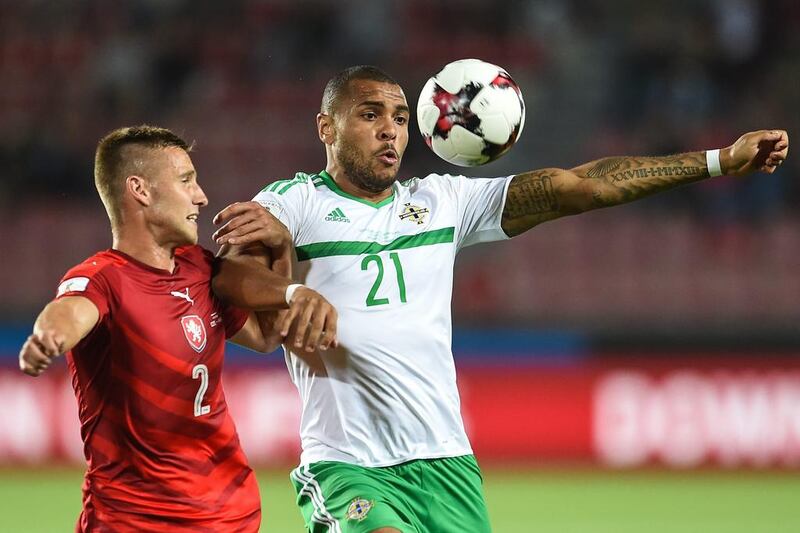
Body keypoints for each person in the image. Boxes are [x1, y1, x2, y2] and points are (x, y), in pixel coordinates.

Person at [213, 66, 790, 533]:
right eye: (369, 115)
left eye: (399, 117)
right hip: (349, 464)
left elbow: (581, 186)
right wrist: (290, 291)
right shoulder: (294, 202)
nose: (390, 130)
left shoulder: (444, 203)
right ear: (326, 128)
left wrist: (718, 161)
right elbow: (228, 278)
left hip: (447, 463)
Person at [17, 125, 337, 532]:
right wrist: (49, 338)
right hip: (133, 520)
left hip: (229, 515)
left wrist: (279, 251)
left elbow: (266, 337)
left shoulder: (200, 268)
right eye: (186, 180)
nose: (201, 196)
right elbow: (70, 312)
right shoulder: (104, 278)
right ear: (141, 190)